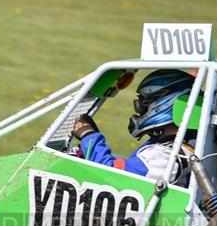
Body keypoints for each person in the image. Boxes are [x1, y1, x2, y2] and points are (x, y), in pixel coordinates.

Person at [71, 69, 200, 185]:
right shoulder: (183, 144)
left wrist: (89, 137)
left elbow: (115, 177)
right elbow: (127, 166)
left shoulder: (166, 156)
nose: (139, 108)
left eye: (144, 102)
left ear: (165, 104)